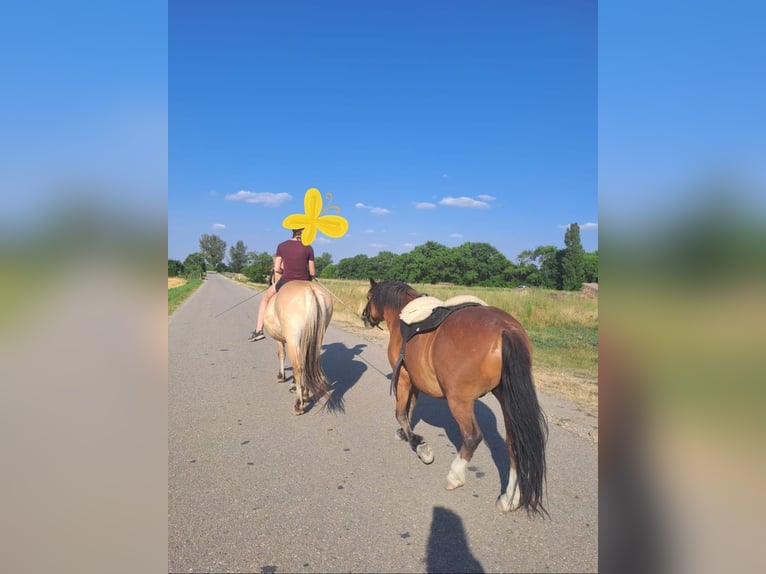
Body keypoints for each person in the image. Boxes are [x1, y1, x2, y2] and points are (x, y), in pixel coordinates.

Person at [248, 228, 316, 341]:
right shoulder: (308, 247)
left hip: (286, 280)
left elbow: (277, 268)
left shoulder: (282, 246)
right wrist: (308, 276)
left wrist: (284, 271)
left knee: (265, 299)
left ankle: (258, 330)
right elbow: (312, 273)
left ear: (293, 231)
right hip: (305, 282)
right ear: (304, 232)